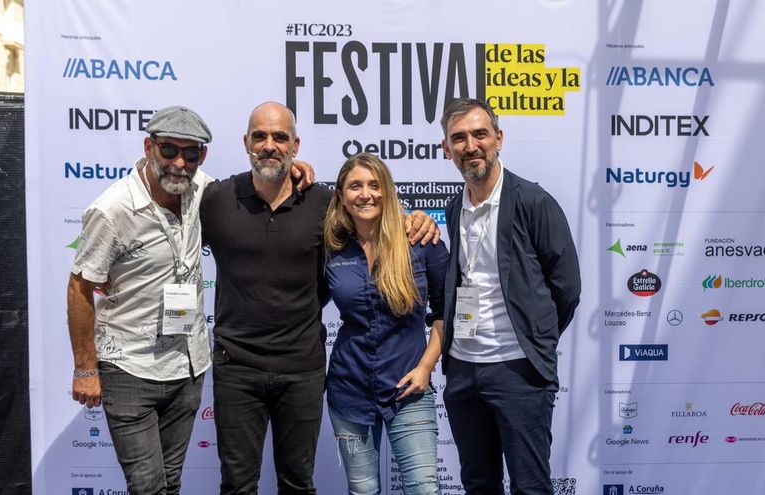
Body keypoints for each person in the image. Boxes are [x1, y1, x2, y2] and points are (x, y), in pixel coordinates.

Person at [199, 102, 439, 495]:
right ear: (246, 142)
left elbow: (372, 215)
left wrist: (416, 217)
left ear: (295, 145)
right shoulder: (217, 198)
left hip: (303, 369)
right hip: (237, 367)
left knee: (299, 484)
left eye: (280, 137)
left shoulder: (322, 204)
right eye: (260, 136)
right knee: (237, 485)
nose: (269, 145)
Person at [67, 105, 214, 494]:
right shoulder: (112, 209)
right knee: (147, 486)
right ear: (149, 147)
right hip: (129, 367)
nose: (179, 163)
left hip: (187, 365)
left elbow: (255, 190)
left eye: (191, 153)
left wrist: (295, 170)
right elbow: (79, 288)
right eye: (169, 150)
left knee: (171, 481)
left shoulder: (203, 189)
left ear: (202, 156)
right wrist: (85, 368)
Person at [438, 98, 581, 495]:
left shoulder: (533, 201)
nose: (470, 146)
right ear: (447, 148)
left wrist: (534, 337)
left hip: (519, 370)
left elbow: (567, 286)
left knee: (530, 486)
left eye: (480, 134)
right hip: (463, 369)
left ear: (498, 139)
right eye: (458, 138)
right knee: (478, 484)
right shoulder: (454, 208)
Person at [323, 153, 448, 495]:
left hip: (409, 388)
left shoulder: (421, 243)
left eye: (374, 185)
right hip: (349, 389)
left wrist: (425, 368)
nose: (366, 194)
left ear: (387, 191)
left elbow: (445, 313)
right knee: (363, 491)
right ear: (341, 196)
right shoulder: (331, 249)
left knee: (423, 489)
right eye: (355, 186)